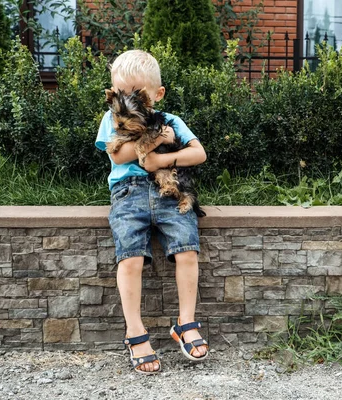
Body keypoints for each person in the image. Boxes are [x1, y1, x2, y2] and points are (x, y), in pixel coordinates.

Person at [95, 50, 209, 375]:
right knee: (130, 258)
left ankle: (185, 321)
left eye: (135, 95)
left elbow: (198, 153)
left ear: (156, 95)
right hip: (128, 192)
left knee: (187, 251)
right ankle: (134, 331)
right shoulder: (112, 118)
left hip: (169, 188)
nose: (122, 102)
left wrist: (161, 160)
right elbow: (118, 156)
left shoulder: (172, 120)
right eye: (119, 94)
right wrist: (155, 141)